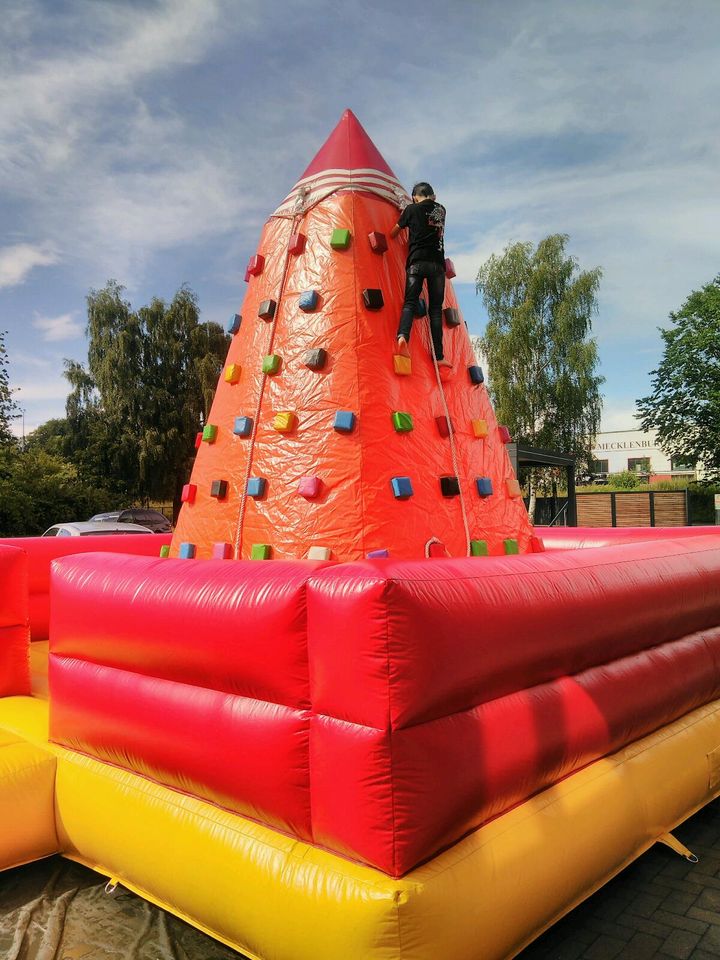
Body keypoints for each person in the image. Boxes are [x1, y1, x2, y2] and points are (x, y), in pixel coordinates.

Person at [390, 182, 451, 367]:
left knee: (410, 303)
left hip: (416, 262)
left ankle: (403, 337)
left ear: (415, 196)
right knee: (435, 311)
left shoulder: (411, 209)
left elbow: (393, 232)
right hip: (437, 266)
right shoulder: (441, 210)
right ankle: (439, 356)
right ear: (432, 195)